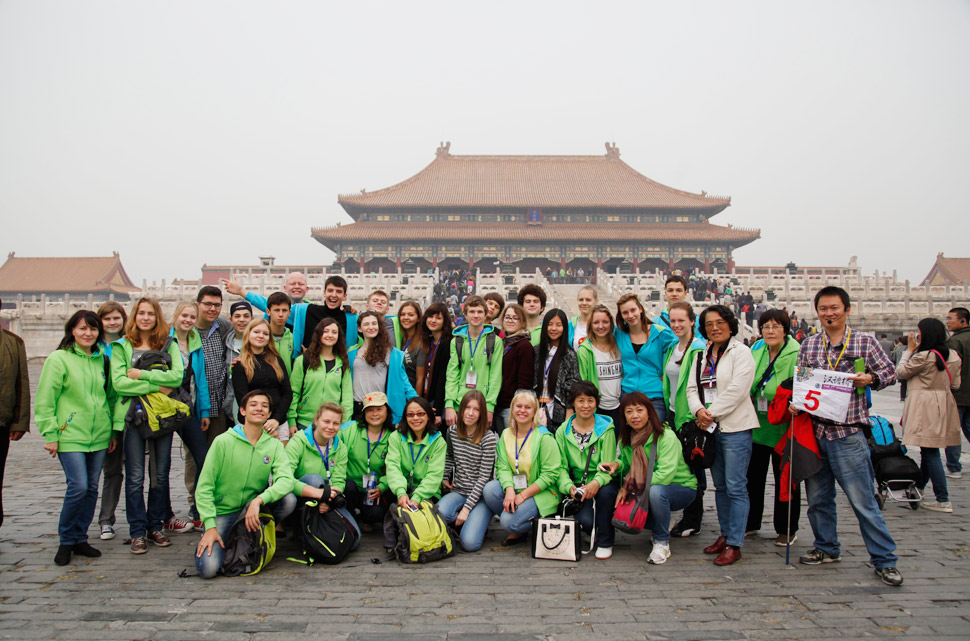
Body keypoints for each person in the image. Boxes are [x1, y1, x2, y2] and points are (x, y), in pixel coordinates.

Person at [796, 286, 902, 586]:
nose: (829, 313)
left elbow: (890, 373)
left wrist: (871, 378)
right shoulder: (810, 345)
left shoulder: (864, 342)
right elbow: (803, 381)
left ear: (847, 310)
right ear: (817, 312)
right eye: (823, 309)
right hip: (816, 431)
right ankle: (826, 547)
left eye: (834, 308)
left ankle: (884, 559)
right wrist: (797, 401)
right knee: (818, 499)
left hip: (848, 434)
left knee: (862, 501)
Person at [35, 310, 115, 565]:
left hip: (99, 434)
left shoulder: (102, 360)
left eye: (93, 329)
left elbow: (110, 397)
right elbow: (46, 399)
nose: (88, 333)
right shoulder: (59, 359)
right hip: (69, 433)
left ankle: (80, 537)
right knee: (78, 486)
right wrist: (50, 433)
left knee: (91, 488)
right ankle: (66, 539)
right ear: (72, 331)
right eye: (82, 328)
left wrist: (112, 430)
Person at [194, 390, 295, 579]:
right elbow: (204, 486)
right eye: (253, 405)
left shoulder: (273, 445)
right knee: (209, 569)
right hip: (223, 511)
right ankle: (219, 537)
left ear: (269, 414)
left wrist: (258, 500)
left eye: (264, 406)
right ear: (242, 411)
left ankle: (259, 532)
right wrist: (210, 526)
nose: (259, 408)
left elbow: (286, 480)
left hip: (251, 509)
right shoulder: (223, 441)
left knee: (289, 500)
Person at [111, 297, 184, 554]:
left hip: (162, 416)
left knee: (160, 475)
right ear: (134, 316)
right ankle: (137, 531)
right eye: (141, 313)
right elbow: (119, 383)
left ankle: (155, 526)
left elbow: (177, 377)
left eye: (150, 314)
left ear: (157, 317)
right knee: (135, 477)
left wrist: (141, 375)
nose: (145, 318)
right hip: (133, 417)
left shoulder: (168, 344)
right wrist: (157, 386)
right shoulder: (122, 346)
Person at [686, 304, 757, 566]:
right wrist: (699, 410)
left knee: (736, 486)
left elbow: (738, 390)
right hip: (710, 429)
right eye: (709, 324)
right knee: (721, 486)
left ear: (730, 324)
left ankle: (735, 543)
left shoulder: (742, 352)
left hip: (735, 427)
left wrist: (711, 413)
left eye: (719, 322)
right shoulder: (701, 355)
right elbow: (692, 388)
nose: (714, 328)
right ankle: (725, 534)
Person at [607, 392, 697, 564]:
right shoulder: (628, 439)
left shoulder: (665, 436)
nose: (635, 416)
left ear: (649, 412)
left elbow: (665, 475)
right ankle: (661, 520)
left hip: (680, 487)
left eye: (639, 410)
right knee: (612, 494)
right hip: (646, 486)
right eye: (629, 412)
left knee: (656, 492)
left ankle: (661, 542)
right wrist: (616, 465)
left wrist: (630, 487)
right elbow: (626, 464)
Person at [745, 309, 801, 544]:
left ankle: (787, 528)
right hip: (758, 425)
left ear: (785, 330)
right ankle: (750, 522)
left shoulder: (798, 353)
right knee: (753, 478)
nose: (770, 331)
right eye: (766, 327)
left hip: (785, 426)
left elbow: (804, 384)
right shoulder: (756, 350)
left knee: (785, 479)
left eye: (776, 326)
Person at [896, 318, 962, 512]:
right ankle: (918, 489)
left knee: (931, 453)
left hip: (924, 406)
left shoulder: (923, 356)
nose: (916, 335)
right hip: (944, 404)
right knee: (928, 450)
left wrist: (909, 350)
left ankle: (943, 499)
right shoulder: (954, 355)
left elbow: (900, 372)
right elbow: (956, 384)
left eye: (918, 331)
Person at [482, 390, 562, 546]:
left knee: (507, 522)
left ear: (534, 412)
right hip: (517, 488)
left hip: (541, 492)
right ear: (512, 409)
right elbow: (503, 466)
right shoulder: (506, 434)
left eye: (528, 407)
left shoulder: (544, 437)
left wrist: (523, 495)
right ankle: (520, 520)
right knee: (490, 490)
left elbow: (550, 475)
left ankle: (529, 522)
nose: (522, 410)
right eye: (518, 406)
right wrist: (510, 490)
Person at [277, 402, 361, 547]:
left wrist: (328, 501)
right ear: (316, 420)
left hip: (327, 499)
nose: (330, 427)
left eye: (336, 423)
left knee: (354, 540)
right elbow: (286, 478)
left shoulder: (340, 447)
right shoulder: (299, 441)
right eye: (326, 421)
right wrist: (317, 493)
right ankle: (299, 526)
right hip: (302, 497)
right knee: (315, 479)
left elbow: (339, 481)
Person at [555, 381, 619, 559]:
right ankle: (591, 526)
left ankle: (605, 541)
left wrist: (595, 483)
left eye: (590, 400)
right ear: (573, 403)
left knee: (606, 493)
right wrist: (568, 486)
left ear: (596, 403)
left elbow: (607, 466)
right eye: (581, 401)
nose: (586, 406)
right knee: (586, 521)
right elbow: (560, 466)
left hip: (601, 482)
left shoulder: (606, 429)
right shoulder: (562, 431)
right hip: (576, 485)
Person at [223, 274, 359, 357]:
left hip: (338, 372)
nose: (333, 295)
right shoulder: (305, 311)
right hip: (306, 368)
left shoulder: (351, 318)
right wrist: (242, 291)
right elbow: (273, 305)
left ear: (344, 296)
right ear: (324, 292)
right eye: (330, 291)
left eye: (338, 292)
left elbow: (369, 325)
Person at [661, 301, 708, 538]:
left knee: (693, 469)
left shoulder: (698, 349)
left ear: (692, 321)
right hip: (673, 413)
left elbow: (699, 384)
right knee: (683, 465)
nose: (677, 325)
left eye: (681, 320)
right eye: (673, 321)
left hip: (690, 417)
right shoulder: (673, 347)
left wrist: (698, 413)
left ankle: (693, 519)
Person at [164, 301, 212, 534]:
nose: (188, 320)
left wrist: (204, 410)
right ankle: (165, 516)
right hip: (162, 409)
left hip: (187, 408)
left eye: (192, 317)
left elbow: (200, 380)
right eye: (184, 315)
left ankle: (197, 511)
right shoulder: (164, 340)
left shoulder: (195, 343)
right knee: (161, 465)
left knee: (203, 458)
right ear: (176, 316)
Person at [383, 396, 446, 552]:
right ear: (405, 418)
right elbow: (393, 467)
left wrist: (417, 498)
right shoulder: (396, 437)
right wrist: (401, 492)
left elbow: (434, 476)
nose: (415, 418)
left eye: (420, 413)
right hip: (402, 490)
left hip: (426, 493)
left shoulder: (438, 441)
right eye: (410, 414)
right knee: (392, 508)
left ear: (428, 416)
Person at [438, 390, 498, 552]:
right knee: (440, 513)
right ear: (461, 409)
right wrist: (445, 477)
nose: (471, 413)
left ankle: (477, 519)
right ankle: (465, 521)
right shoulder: (452, 431)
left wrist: (466, 509)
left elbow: (484, 477)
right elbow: (450, 455)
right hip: (459, 491)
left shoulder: (488, 438)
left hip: (480, 496)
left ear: (482, 413)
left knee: (470, 544)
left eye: (476, 409)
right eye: (467, 408)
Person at [615, 293, 677, 423]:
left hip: (654, 394)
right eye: (625, 313)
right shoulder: (618, 334)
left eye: (633, 310)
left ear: (640, 309)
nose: (630, 315)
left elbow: (679, 349)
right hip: (628, 394)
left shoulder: (660, 333)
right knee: (629, 434)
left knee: (655, 432)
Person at [348, 311, 417, 423]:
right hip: (357, 406)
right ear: (359, 329)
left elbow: (404, 383)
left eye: (374, 323)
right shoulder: (351, 355)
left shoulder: (391, 354)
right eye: (366, 324)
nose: (371, 327)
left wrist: (417, 402)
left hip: (379, 406)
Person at [444, 296, 503, 426]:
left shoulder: (495, 341)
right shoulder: (457, 341)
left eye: (480, 312)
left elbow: (495, 376)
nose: (476, 315)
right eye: (472, 312)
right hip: (459, 403)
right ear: (465, 315)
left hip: (483, 404)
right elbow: (452, 374)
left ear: (486, 314)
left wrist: (490, 406)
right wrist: (449, 404)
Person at [230, 319, 292, 441]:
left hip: (277, 423)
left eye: (265, 333)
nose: (261, 336)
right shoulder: (240, 364)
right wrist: (261, 423)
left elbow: (287, 392)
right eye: (256, 332)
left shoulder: (277, 361)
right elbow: (242, 398)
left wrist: (276, 419)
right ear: (248, 334)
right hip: (251, 424)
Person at [95, 301, 126, 539]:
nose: (112, 323)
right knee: (87, 476)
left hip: (123, 415)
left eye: (116, 318)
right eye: (107, 319)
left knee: (114, 471)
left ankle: (106, 519)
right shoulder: (90, 347)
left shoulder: (127, 345)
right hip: (94, 418)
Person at [288, 317, 353, 430]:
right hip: (305, 422)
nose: (330, 335)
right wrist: (291, 421)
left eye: (334, 332)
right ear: (319, 334)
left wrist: (344, 423)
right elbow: (294, 392)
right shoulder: (303, 361)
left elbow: (347, 396)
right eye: (326, 331)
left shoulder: (342, 363)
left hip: (332, 424)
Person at [342, 392, 395, 528]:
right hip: (349, 486)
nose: (374, 414)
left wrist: (382, 486)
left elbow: (394, 468)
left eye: (379, 409)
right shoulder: (351, 430)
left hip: (372, 489)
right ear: (364, 413)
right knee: (349, 487)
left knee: (376, 513)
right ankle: (351, 519)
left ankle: (363, 518)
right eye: (370, 410)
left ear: (387, 411)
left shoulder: (393, 437)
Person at [194, 286, 233, 447]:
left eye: (217, 305)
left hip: (219, 402)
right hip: (195, 402)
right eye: (208, 304)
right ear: (197, 305)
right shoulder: (188, 328)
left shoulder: (223, 326)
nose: (212, 309)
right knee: (195, 454)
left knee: (218, 450)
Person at [533, 309, 580, 433]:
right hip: (536, 408)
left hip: (558, 412)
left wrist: (569, 413)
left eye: (558, 325)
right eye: (550, 324)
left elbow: (572, 385)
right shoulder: (537, 351)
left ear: (564, 328)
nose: (554, 328)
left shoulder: (569, 355)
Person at [577, 305, 624, 425]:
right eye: (596, 322)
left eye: (605, 322)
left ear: (611, 323)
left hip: (619, 406)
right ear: (591, 325)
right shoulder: (585, 350)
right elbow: (583, 381)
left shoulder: (620, 345)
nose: (601, 326)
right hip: (597, 408)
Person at [495, 304, 535, 431]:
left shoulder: (524, 346)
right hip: (498, 404)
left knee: (514, 440)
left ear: (522, 322)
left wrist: (518, 407)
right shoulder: (502, 342)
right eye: (507, 317)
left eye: (515, 318)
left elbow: (524, 381)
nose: (510, 321)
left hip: (511, 406)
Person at [944, 307, 970, 479]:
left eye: (950, 318)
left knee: (953, 431)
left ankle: (954, 467)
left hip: (958, 393)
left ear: (962, 321)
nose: (947, 322)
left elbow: (950, 370)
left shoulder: (955, 342)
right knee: (968, 427)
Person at [421, 302, 453, 425]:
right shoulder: (427, 341)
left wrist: (438, 410)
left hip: (438, 402)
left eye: (438, 318)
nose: (433, 321)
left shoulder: (447, 344)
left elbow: (443, 377)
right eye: (430, 317)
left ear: (444, 321)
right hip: (426, 397)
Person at [222, 300, 253, 422]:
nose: (242, 320)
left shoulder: (259, 344)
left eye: (246, 316)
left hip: (253, 408)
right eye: (237, 316)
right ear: (231, 320)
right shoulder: (224, 343)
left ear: (252, 319)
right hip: (229, 407)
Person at [397, 301, 427, 397]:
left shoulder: (421, 343)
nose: (406, 317)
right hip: (397, 393)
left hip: (411, 394)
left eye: (411, 315)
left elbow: (420, 379)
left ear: (418, 318)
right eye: (402, 314)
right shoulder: (398, 339)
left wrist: (415, 401)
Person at [266, 292, 295, 376]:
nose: (281, 314)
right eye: (276, 310)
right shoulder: (260, 337)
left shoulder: (294, 339)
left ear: (289, 312)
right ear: (268, 312)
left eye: (284, 310)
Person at [569, 286, 598, 350]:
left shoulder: (603, 326)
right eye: (581, 300)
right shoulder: (570, 326)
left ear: (596, 301)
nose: (584, 303)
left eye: (588, 300)